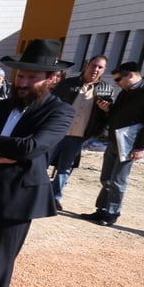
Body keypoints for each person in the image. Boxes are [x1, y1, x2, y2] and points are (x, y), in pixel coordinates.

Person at [0, 40, 74, 287]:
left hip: (17, 196)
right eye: (20, 75)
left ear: (52, 78)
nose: (23, 82)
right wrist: (3, 149)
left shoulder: (60, 113)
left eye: (33, 77)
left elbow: (31, 148)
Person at [86, 61, 144, 226]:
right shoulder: (126, 91)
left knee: (118, 180)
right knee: (106, 178)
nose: (117, 83)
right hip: (115, 139)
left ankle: (112, 213)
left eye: (118, 80)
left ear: (130, 75)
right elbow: (117, 113)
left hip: (131, 144)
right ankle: (101, 210)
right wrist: (107, 109)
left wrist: (141, 147)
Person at [50, 55, 112, 209]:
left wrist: (106, 110)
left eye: (100, 67)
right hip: (56, 132)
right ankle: (34, 191)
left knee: (65, 168)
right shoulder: (68, 84)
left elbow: (107, 116)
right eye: (93, 65)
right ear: (86, 65)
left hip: (79, 135)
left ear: (104, 70)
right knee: (41, 161)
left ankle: (54, 197)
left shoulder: (106, 89)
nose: (95, 70)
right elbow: (51, 103)